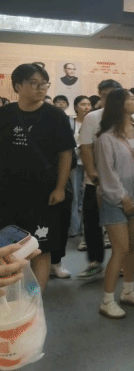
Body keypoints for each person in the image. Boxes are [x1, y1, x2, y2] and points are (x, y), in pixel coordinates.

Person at [0, 63, 75, 291]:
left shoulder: (55, 116)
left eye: (44, 84)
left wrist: (60, 187)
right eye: (34, 83)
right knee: (9, 246)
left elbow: (65, 154)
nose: (40, 88)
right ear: (17, 86)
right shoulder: (5, 114)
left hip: (44, 194)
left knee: (41, 247)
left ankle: (36, 299)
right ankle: (11, 296)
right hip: (8, 193)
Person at [95, 89, 134, 319]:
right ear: (119, 104)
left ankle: (128, 291)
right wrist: (123, 197)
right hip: (114, 199)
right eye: (130, 98)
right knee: (119, 249)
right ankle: (107, 300)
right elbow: (107, 173)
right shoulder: (106, 137)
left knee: (132, 247)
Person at [77, 79, 123, 280]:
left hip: (122, 181)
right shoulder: (92, 118)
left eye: (112, 95)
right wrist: (92, 173)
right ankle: (95, 261)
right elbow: (85, 147)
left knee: (121, 223)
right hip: (95, 180)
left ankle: (119, 262)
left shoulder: (130, 118)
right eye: (104, 96)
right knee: (92, 220)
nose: (108, 100)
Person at [68, 95, 91, 238]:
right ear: (76, 107)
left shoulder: (94, 122)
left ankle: (85, 228)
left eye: (88, 104)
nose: (86, 107)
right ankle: (74, 228)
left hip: (90, 164)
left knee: (87, 196)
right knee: (75, 196)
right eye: (83, 104)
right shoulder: (71, 123)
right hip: (75, 164)